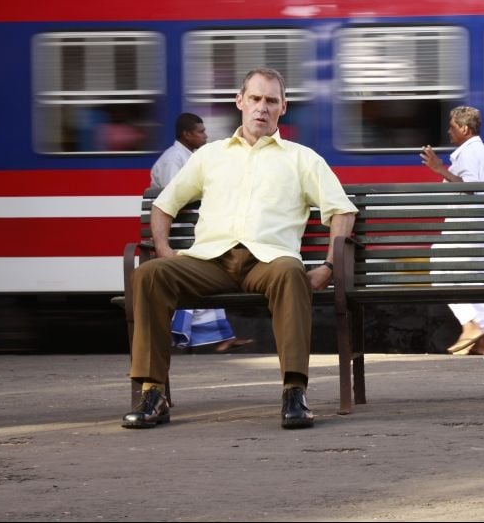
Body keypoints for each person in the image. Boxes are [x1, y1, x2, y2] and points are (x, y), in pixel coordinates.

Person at [122, 68, 357, 430]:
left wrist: (327, 265)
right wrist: (164, 248)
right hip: (210, 261)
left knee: (291, 271)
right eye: (255, 99)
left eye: (271, 101)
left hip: (268, 263)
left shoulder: (302, 158)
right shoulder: (209, 156)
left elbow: (341, 210)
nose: (262, 108)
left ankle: (294, 391)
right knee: (149, 274)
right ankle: (154, 393)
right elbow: (165, 203)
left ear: (283, 108)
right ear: (240, 101)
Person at [150, 112, 253, 354]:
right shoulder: (174, 160)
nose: (206, 136)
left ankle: (220, 336)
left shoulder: (187, 156)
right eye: (201, 132)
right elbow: (174, 200)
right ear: (187, 135)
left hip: (187, 233)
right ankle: (214, 336)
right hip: (178, 235)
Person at [419, 105, 484, 356]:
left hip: (466, 227)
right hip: (479, 228)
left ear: (464, 128)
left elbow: (470, 187)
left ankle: (470, 324)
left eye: (452, 126)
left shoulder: (470, 153)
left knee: (441, 264)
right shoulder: (482, 153)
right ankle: (482, 341)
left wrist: (439, 169)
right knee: (472, 279)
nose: (448, 131)